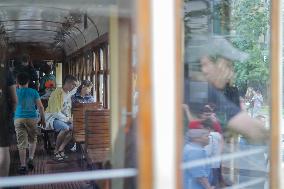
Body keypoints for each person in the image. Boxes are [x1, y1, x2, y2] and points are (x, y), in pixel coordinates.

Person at [186, 35, 268, 143]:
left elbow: (245, 125)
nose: (231, 74)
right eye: (228, 66)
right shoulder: (189, 89)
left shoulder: (213, 92)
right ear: (216, 64)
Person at [14, 72, 46, 174]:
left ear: (17, 82)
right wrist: (43, 119)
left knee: (21, 143)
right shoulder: (33, 92)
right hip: (32, 118)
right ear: (28, 81)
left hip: (18, 119)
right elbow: (40, 107)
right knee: (33, 139)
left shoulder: (15, 92)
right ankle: (31, 158)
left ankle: (23, 165)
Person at [45, 75, 77, 161]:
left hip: (62, 118)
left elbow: (67, 109)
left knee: (75, 128)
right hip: (52, 117)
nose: (74, 87)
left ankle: (61, 148)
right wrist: (68, 119)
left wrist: (70, 118)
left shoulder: (68, 93)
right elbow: (55, 113)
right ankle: (56, 151)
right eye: (73, 85)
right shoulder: (57, 93)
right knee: (66, 128)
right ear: (68, 83)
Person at [0, 65, 17, 177]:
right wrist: (11, 117)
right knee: (3, 149)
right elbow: (15, 100)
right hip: (3, 117)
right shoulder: (5, 72)